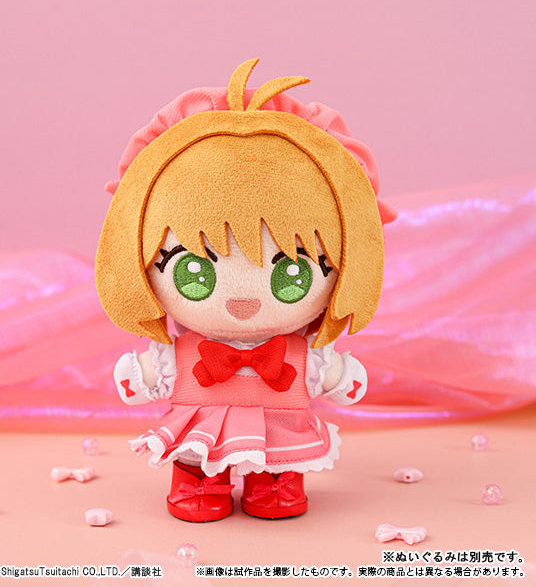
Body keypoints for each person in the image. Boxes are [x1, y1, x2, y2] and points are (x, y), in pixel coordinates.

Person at [95, 59, 395, 522]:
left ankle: (274, 482)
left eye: (291, 275)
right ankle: (197, 481)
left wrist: (339, 376)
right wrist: (139, 376)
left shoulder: (302, 357)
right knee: (194, 456)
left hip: (280, 430)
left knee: (280, 459)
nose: (243, 300)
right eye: (194, 270)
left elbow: (337, 377)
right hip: (200, 432)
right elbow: (147, 376)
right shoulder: (182, 355)